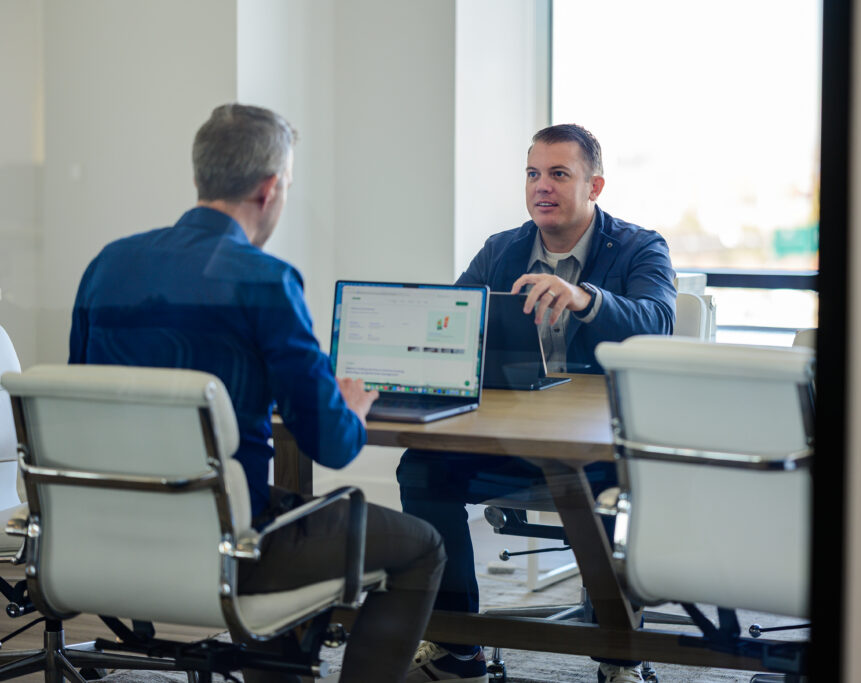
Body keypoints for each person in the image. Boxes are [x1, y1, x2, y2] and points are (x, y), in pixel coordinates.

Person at [69, 103, 446, 683]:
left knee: (286, 510)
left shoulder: (107, 265)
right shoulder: (265, 281)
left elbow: (83, 397)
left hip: (106, 535)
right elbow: (333, 445)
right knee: (422, 546)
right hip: (227, 547)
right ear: (270, 189)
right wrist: (349, 407)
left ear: (203, 175)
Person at [399, 124, 676, 683]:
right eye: (532, 173)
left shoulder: (640, 247)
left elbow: (659, 321)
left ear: (594, 185)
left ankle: (618, 658)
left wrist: (585, 298)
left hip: (598, 446)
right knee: (422, 469)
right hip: (511, 438)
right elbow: (455, 326)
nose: (541, 187)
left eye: (558, 174)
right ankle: (459, 649)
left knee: (602, 497)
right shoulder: (501, 250)